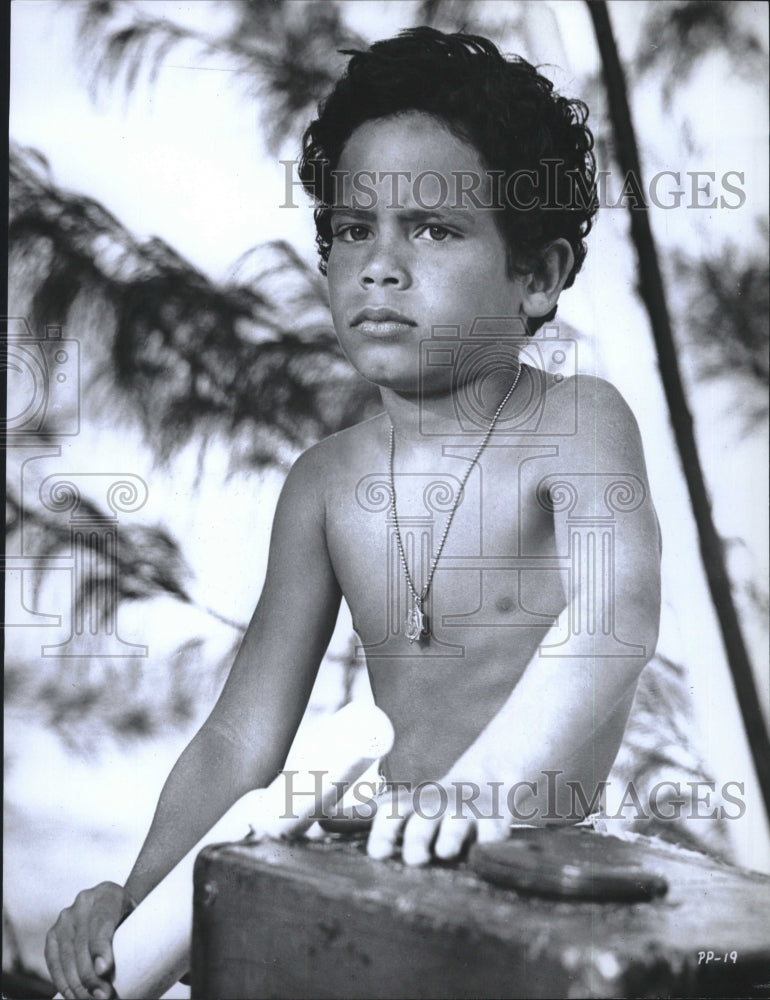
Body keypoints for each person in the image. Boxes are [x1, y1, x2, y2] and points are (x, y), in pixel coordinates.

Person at [46, 27, 660, 999]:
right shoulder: (325, 483)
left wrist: (481, 785)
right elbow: (241, 741)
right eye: (348, 229)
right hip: (371, 869)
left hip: (531, 877)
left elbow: (612, 620)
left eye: (431, 228)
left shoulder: (575, 423)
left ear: (534, 278)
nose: (377, 263)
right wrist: (135, 898)